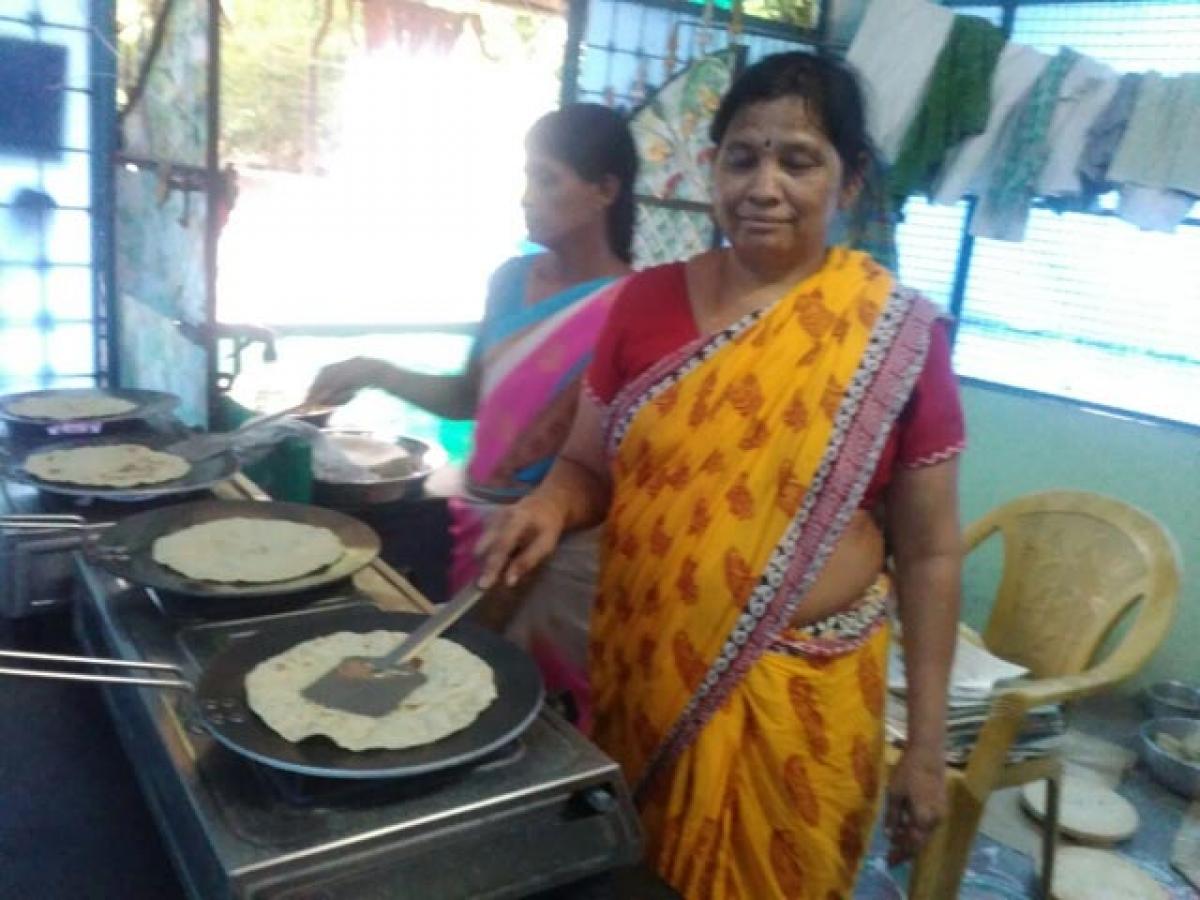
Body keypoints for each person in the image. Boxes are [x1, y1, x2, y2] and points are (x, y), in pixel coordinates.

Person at [477, 53, 964, 898]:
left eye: (798, 160)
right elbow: (589, 465)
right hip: (648, 671)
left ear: (848, 183)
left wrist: (924, 745)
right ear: (713, 169)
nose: (764, 185)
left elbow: (928, 554)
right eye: (742, 157)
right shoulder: (645, 302)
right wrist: (552, 503)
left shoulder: (895, 336)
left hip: (800, 701)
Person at [308, 103, 639, 721]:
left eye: (546, 179)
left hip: (555, 549)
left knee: (534, 704)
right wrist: (372, 371)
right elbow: (469, 398)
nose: (526, 197)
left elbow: (610, 459)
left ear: (605, 191)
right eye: (526, 177)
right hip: (475, 525)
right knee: (458, 694)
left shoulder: (631, 309)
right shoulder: (508, 281)